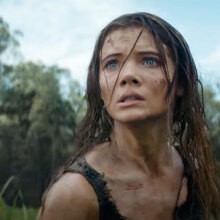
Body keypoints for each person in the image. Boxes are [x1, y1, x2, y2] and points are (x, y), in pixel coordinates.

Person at [38, 12, 220, 220]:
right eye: (112, 64)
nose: (127, 75)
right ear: (99, 88)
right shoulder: (74, 194)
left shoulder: (195, 173)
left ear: (180, 81)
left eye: (150, 61)